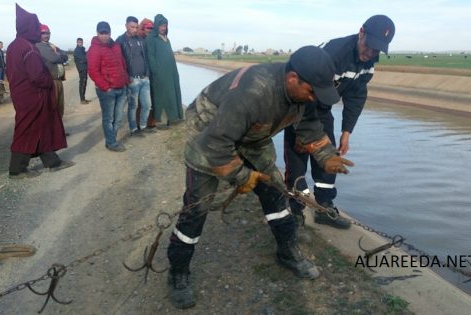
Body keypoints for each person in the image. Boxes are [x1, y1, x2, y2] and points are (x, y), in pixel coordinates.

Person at [166, 46, 354, 309]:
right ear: (292, 79)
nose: (314, 99)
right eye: (312, 91)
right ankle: (178, 271)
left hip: (254, 134)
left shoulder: (304, 96)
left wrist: (325, 154)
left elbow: (310, 127)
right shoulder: (254, 92)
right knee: (197, 207)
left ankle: (287, 252)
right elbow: (216, 143)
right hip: (208, 133)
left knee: (275, 191)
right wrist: (242, 176)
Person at [284, 15, 395, 230]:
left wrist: (346, 131)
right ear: (361, 32)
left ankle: (325, 207)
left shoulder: (369, 61)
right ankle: (295, 211)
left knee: (329, 156)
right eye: (369, 46)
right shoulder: (334, 53)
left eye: (377, 50)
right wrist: (302, 133)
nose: (370, 53)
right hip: (299, 103)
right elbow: (304, 91)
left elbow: (356, 95)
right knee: (298, 156)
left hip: (322, 107)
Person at [6, 4, 74, 179]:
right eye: (36, 27)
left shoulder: (15, 45)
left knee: (43, 126)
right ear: (28, 27)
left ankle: (52, 162)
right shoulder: (28, 48)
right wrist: (49, 83)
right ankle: (17, 169)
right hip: (33, 96)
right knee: (26, 129)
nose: (38, 31)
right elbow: (37, 76)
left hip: (24, 95)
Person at [87, 21, 130, 152]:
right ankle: (111, 142)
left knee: (119, 117)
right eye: (102, 33)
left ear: (110, 33)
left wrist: (126, 80)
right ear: (97, 33)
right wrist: (106, 87)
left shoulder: (116, 46)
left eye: (106, 33)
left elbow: (122, 63)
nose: (104, 36)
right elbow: (93, 71)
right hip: (107, 90)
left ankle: (111, 139)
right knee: (109, 118)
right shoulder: (94, 49)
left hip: (121, 88)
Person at [116, 16, 153, 137]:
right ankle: (133, 129)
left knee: (147, 105)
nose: (134, 29)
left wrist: (147, 74)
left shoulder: (140, 39)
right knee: (133, 106)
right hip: (132, 79)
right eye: (132, 27)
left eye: (136, 27)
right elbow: (119, 62)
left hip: (144, 78)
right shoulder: (120, 41)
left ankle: (142, 126)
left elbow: (145, 57)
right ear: (126, 25)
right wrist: (127, 78)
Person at [145, 14, 183, 129]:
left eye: (165, 25)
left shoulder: (167, 39)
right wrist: (155, 72)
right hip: (159, 74)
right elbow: (150, 57)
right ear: (157, 25)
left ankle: (172, 118)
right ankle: (161, 121)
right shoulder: (151, 38)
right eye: (161, 25)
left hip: (170, 73)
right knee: (161, 96)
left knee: (171, 94)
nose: (163, 28)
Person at [135, 18, 157, 130]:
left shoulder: (153, 40)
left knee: (151, 101)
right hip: (142, 76)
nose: (150, 30)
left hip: (152, 75)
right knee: (141, 102)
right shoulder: (140, 40)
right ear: (143, 28)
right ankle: (139, 124)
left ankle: (151, 122)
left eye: (152, 28)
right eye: (148, 27)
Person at [73, 37, 90, 104]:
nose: (80, 43)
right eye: (79, 42)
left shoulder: (82, 49)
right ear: (77, 42)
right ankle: (82, 100)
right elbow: (84, 58)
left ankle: (83, 98)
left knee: (84, 83)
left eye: (81, 42)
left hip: (84, 68)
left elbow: (85, 59)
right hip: (82, 69)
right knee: (82, 83)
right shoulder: (77, 50)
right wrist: (87, 58)